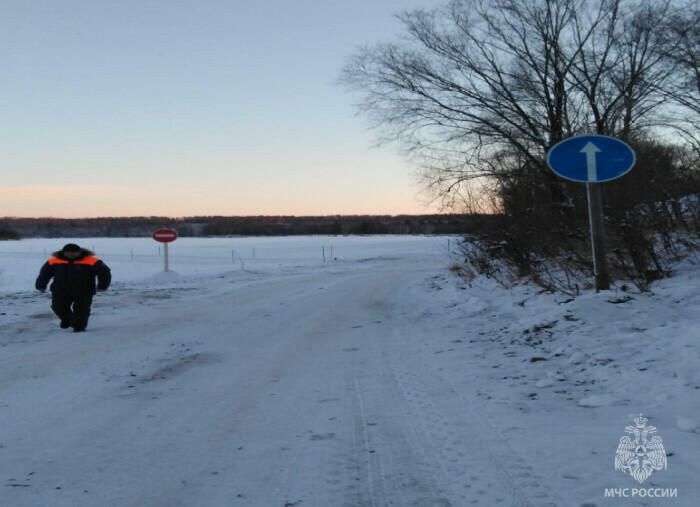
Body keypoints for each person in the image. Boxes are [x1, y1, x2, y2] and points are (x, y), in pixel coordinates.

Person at [35, 243, 111, 332]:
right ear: (63, 252)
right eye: (67, 252)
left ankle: (78, 327)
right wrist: (41, 286)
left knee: (81, 310)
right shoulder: (53, 261)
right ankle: (67, 320)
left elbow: (105, 273)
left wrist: (102, 286)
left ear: (79, 252)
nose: (70, 254)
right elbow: (44, 274)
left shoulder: (92, 261)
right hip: (60, 290)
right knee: (58, 307)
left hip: (84, 291)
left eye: (73, 252)